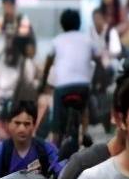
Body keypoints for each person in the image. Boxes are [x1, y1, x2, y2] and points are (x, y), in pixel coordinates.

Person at [41, 10, 100, 145]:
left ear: (62, 24)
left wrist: (44, 80)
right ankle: (84, 132)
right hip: (82, 86)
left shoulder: (57, 40)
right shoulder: (87, 39)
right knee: (84, 107)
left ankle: (56, 140)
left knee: (57, 119)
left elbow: (48, 60)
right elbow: (98, 57)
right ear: (79, 23)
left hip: (62, 87)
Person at [0, 100, 63, 179]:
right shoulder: (0, 151)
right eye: (17, 123)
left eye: (27, 124)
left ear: (34, 125)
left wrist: (45, 167)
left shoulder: (46, 148)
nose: (22, 129)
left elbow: (61, 171)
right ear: (8, 124)